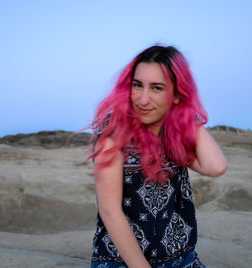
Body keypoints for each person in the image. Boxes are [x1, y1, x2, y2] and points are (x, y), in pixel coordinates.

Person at [89, 45, 227, 268]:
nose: (143, 100)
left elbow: (216, 166)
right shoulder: (113, 137)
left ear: (176, 95)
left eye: (156, 88)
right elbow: (110, 211)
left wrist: (185, 113)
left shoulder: (174, 137)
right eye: (137, 85)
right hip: (121, 260)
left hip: (180, 258)